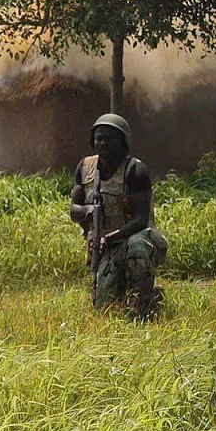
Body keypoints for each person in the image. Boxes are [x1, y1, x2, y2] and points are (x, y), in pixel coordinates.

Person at [70, 114, 168, 320]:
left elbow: (140, 221)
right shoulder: (85, 168)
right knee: (104, 308)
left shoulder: (135, 170)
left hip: (139, 239)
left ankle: (146, 304)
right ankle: (130, 293)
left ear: (122, 142)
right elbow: (74, 210)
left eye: (109, 139)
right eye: (99, 138)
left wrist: (110, 238)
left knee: (136, 246)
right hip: (105, 246)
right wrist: (88, 211)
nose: (103, 143)